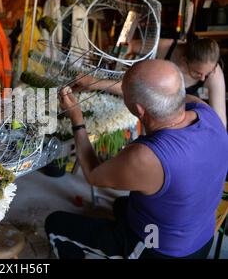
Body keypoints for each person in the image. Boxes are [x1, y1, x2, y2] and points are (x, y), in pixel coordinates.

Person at [45, 59, 228, 259]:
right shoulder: (206, 112)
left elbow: (92, 174)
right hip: (200, 235)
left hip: (160, 247)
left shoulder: (147, 156)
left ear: (140, 110)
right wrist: (96, 83)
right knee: (121, 206)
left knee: (55, 224)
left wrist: (77, 120)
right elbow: (146, 95)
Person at [73, 38, 227, 128]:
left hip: (182, 122)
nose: (202, 78)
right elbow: (131, 45)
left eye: (208, 73)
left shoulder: (213, 74)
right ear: (184, 60)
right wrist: (119, 57)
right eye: (197, 73)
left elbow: (220, 122)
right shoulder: (167, 48)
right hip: (151, 111)